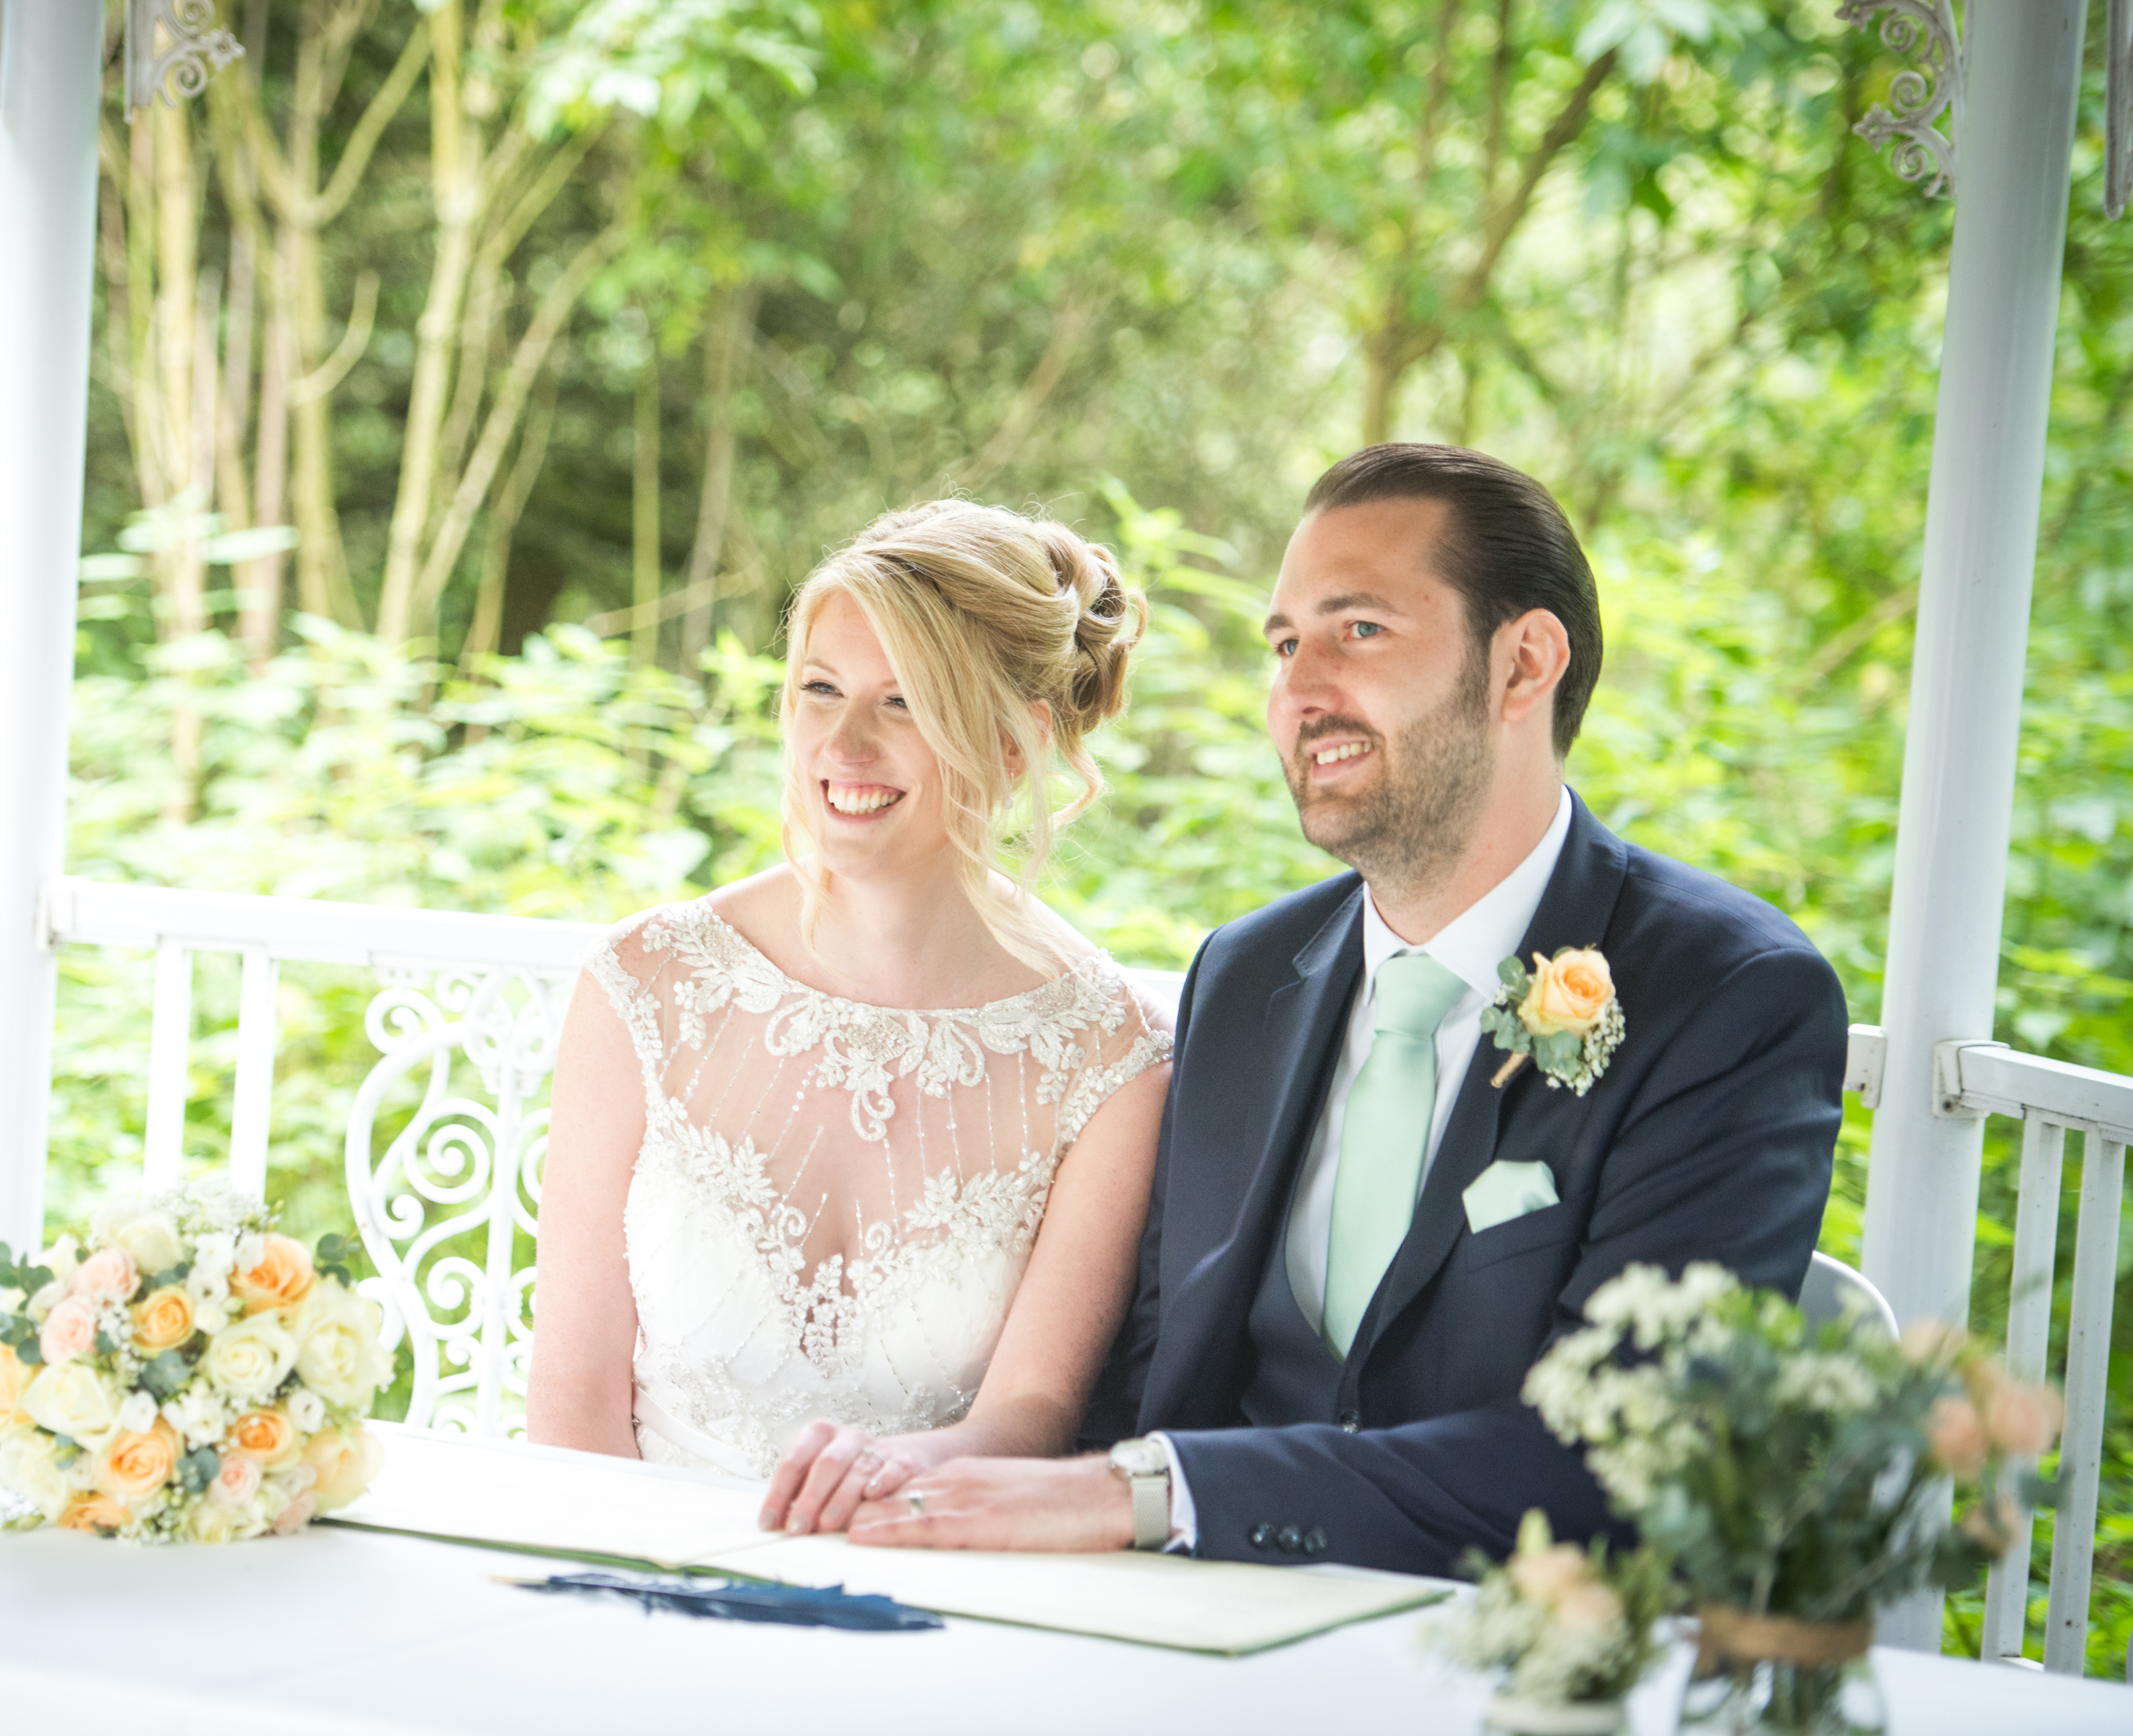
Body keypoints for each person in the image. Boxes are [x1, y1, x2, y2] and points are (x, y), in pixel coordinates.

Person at [840, 444, 1847, 1575]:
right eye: (1284, 645)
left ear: (1524, 664)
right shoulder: (1246, 975)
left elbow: (1627, 1455)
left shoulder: (1727, 999)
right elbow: (1153, 1369)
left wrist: (1153, 1495)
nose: (1300, 690)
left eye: (1358, 630)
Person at [525, 500, 1175, 1537]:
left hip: (922, 1579)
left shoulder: (1109, 1056)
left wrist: (893, 1481)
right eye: (819, 690)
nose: (843, 742)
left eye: (904, 702)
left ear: (1015, 746)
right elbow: (571, 1399)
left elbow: (1032, 1417)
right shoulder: (645, 985)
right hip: (622, 1573)